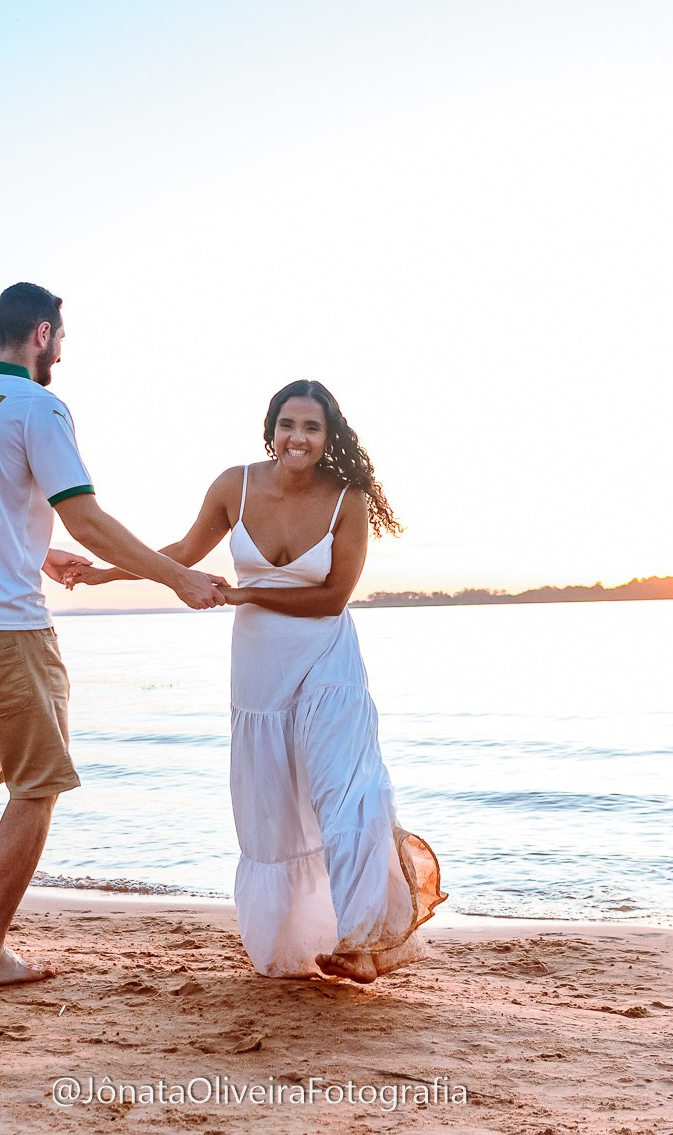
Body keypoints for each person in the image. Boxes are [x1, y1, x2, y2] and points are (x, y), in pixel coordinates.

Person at [0, 281, 226, 989]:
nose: (61, 348)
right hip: (6, 626)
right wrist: (173, 576)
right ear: (42, 336)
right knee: (36, 783)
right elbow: (85, 518)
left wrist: (34, 548)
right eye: (61, 336)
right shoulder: (40, 404)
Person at [74, 379, 444, 981]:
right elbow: (184, 552)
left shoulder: (347, 500)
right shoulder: (234, 485)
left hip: (328, 662)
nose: (298, 437)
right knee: (269, 805)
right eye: (288, 425)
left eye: (312, 427)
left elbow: (332, 598)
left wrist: (243, 592)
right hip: (258, 670)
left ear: (329, 437)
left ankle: (360, 942)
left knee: (344, 790)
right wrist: (103, 577)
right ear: (271, 430)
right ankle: (293, 942)